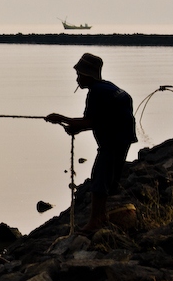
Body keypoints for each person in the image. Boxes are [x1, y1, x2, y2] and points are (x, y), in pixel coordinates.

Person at [46, 53, 137, 233]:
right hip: (124, 137)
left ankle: (95, 222)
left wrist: (61, 118)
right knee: (108, 178)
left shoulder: (96, 92)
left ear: (89, 75)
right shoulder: (108, 87)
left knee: (99, 179)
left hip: (113, 141)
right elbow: (97, 120)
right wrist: (75, 128)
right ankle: (102, 217)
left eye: (80, 75)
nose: (78, 79)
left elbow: (90, 122)